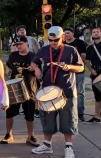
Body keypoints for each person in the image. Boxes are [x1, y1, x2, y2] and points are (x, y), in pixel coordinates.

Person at [31, 26, 84, 158]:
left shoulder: (71, 50)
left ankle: (68, 147)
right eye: (51, 40)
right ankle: (47, 145)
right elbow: (33, 61)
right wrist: (36, 69)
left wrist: (69, 67)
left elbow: (81, 67)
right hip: (48, 91)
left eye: (56, 40)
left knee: (69, 120)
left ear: (63, 38)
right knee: (47, 119)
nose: (53, 42)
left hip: (67, 91)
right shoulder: (44, 50)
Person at [2, 36, 39, 146]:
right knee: (9, 113)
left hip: (29, 88)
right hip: (14, 88)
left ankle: (30, 136)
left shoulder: (33, 56)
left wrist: (35, 69)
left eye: (20, 44)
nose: (18, 46)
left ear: (27, 44)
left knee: (29, 114)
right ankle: (9, 135)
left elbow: (39, 73)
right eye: (17, 44)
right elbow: (8, 68)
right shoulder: (13, 55)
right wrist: (6, 73)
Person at [63, 27, 87, 122]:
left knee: (80, 92)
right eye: (65, 33)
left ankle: (80, 112)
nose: (67, 35)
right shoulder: (63, 44)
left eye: (68, 33)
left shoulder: (79, 43)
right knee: (66, 92)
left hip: (78, 71)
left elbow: (84, 56)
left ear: (73, 33)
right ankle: (67, 111)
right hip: (66, 72)